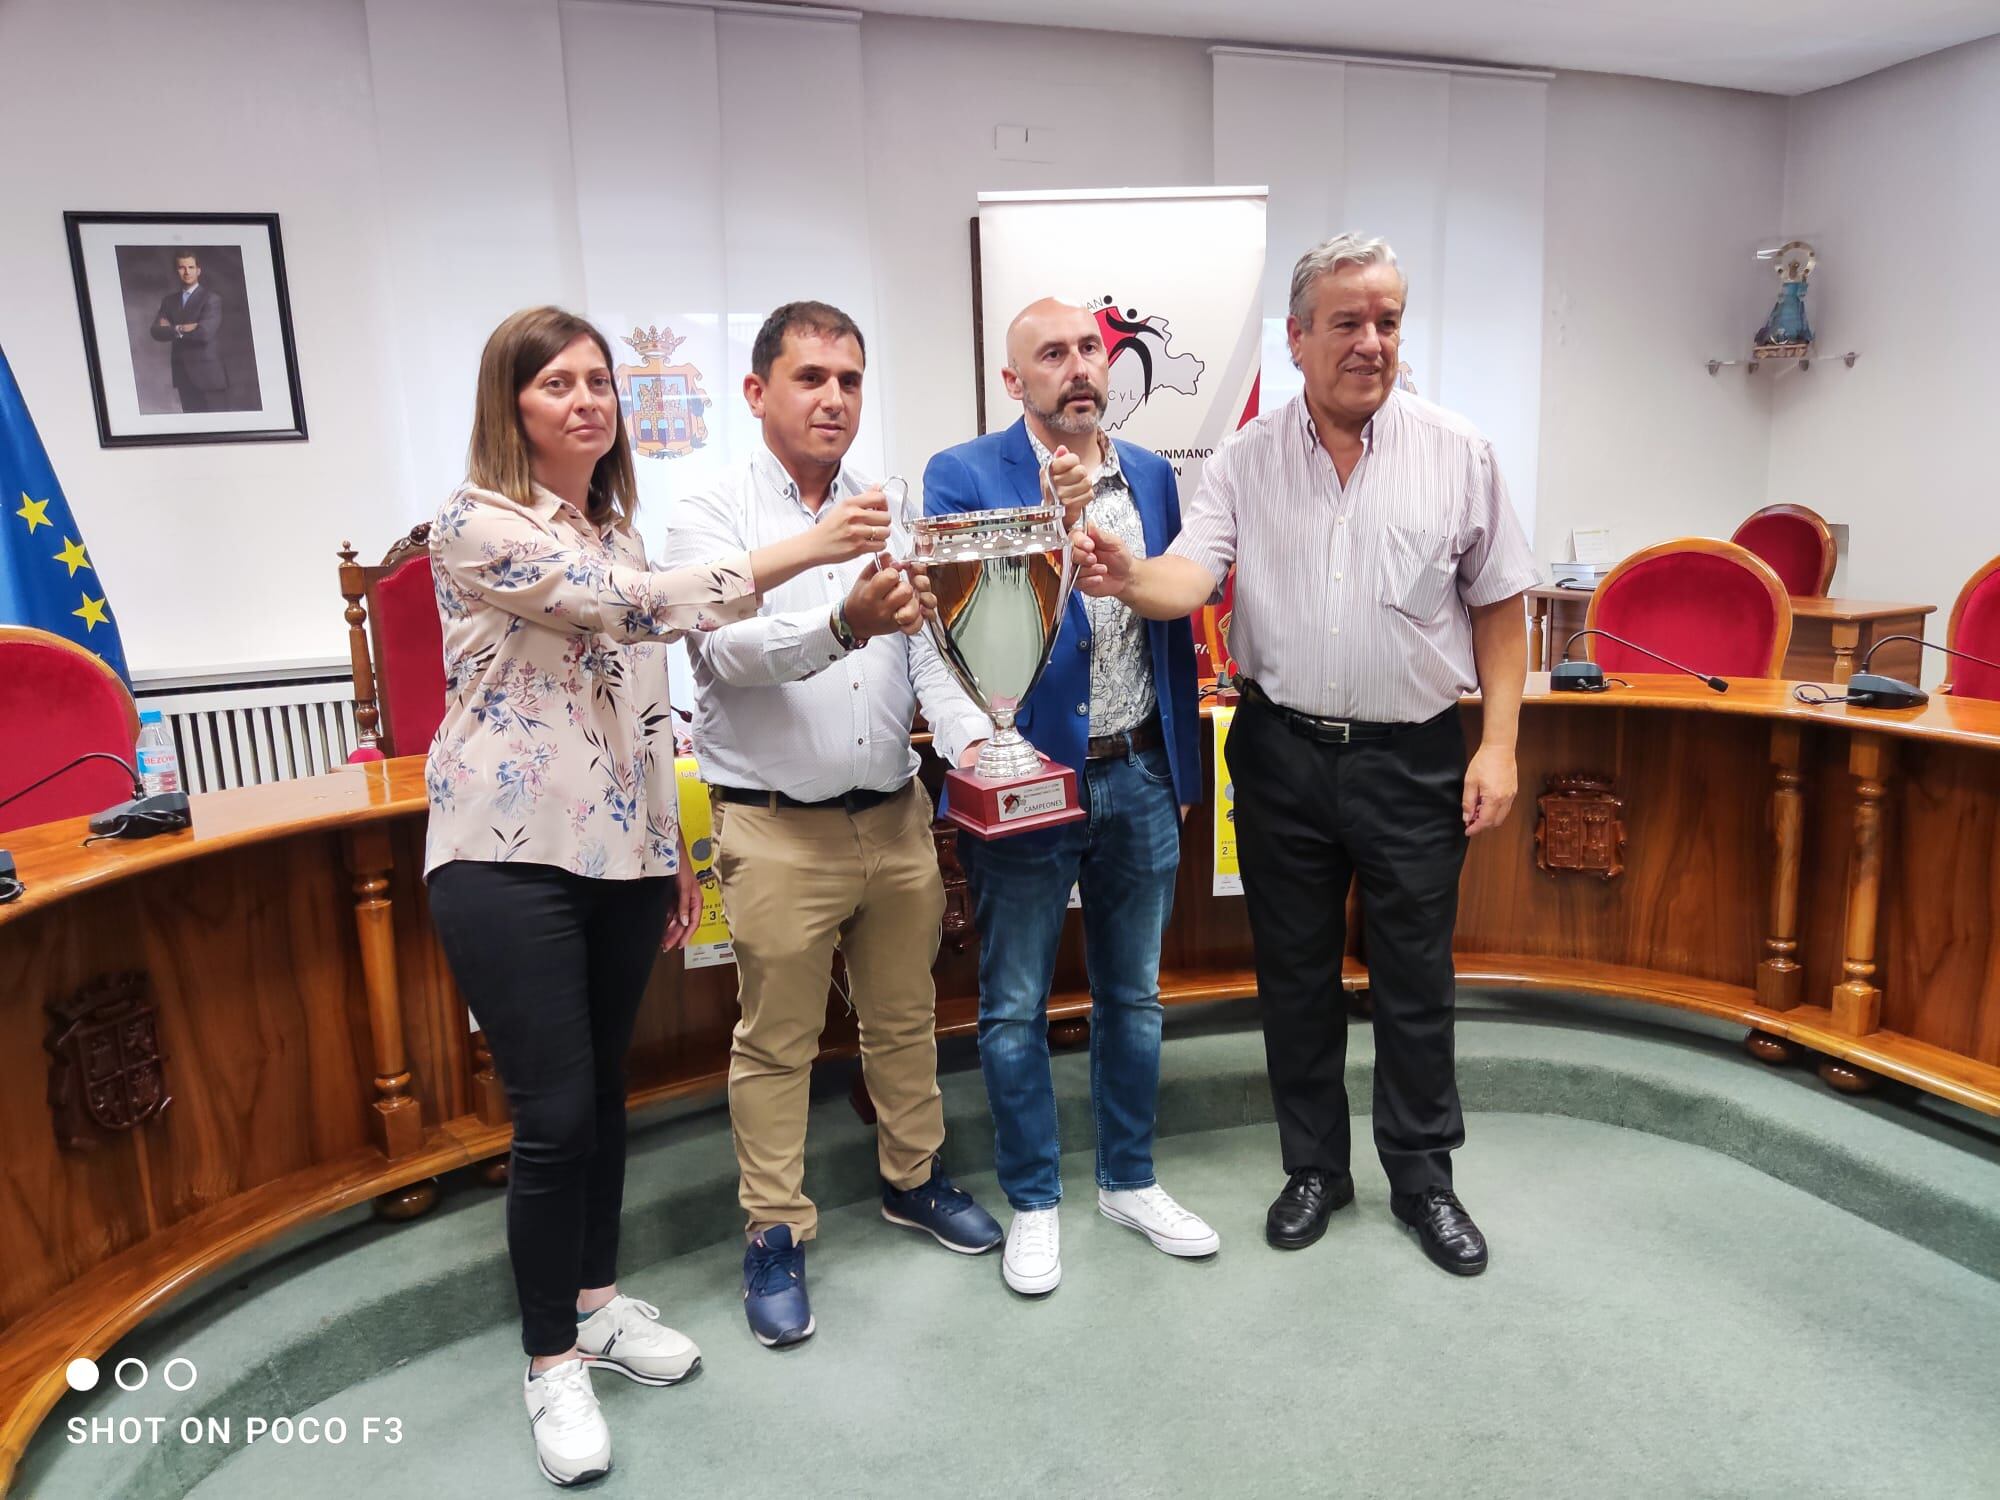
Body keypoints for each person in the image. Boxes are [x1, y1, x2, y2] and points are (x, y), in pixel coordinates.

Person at [424, 306, 879, 1487]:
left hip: (621, 855)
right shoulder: (478, 522)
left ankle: (598, 1306)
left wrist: (670, 845)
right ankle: (547, 1363)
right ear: (509, 404)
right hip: (505, 856)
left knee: (606, 1103)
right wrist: (814, 548)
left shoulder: (618, 529)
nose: (585, 401)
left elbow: (647, 694)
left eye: (597, 384)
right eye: (556, 384)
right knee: (556, 1115)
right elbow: (639, 610)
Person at [1074, 234, 1538, 1277]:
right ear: (1295, 340)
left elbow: (1501, 605)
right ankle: (1313, 1169)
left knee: (1415, 978)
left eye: (1386, 321)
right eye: (1346, 322)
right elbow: (1187, 579)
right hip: (1278, 750)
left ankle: (1423, 1180)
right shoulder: (1242, 460)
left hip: (1414, 755)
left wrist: (1499, 745)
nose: (1370, 343)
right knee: (1291, 975)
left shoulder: (1457, 449)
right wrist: (1121, 576)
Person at [662, 301, 1006, 1349]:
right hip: (774, 831)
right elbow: (724, 656)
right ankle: (774, 1230)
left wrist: (977, 740)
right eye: (810, 378)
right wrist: (837, 620)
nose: (834, 398)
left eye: (850, 380)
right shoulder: (707, 512)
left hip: (893, 818)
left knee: (905, 1020)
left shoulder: (883, 510)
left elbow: (923, 659)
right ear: (758, 392)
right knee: (776, 1043)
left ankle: (911, 1178)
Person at [922, 297, 1214, 1296]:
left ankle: (1128, 1180)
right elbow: (965, 626)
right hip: (1030, 778)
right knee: (1011, 1008)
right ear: (1014, 381)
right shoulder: (961, 475)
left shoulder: (1154, 478)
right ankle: (1035, 1199)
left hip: (1139, 770)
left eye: (1087, 349)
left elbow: (1173, 622)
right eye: (1050, 355)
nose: (1076, 367)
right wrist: (1061, 508)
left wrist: (1179, 770)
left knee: (1134, 996)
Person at [148, 252, 226, 412]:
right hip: (183, 375)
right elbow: (155, 331)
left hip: (208, 376)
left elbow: (205, 334)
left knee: (215, 427)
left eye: (191, 267)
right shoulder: (169, 301)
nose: (187, 272)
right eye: (181, 267)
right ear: (176, 271)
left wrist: (171, 328)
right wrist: (181, 328)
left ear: (198, 270)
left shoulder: (211, 299)